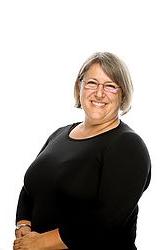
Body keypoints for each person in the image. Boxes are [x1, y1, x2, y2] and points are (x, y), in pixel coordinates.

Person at [13, 52, 151, 250]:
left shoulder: (128, 145)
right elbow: (32, 187)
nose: (99, 93)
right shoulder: (59, 134)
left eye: (110, 86)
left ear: (123, 94)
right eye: (92, 83)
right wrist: (24, 224)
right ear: (80, 87)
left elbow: (106, 221)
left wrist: (41, 242)